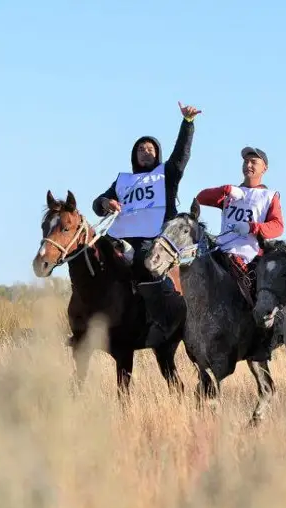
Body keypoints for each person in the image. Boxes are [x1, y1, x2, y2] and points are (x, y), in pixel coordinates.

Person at [92, 101, 201, 347]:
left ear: (157, 153)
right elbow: (97, 204)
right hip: (121, 237)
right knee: (92, 258)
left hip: (155, 238)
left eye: (150, 148)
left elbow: (181, 155)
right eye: (140, 148)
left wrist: (188, 124)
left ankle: (157, 320)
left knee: (145, 260)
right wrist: (106, 203)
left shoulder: (167, 175)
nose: (145, 151)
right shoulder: (124, 180)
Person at [194, 146, 285, 361]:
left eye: (254, 161)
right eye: (246, 161)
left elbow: (278, 226)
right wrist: (225, 190)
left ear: (265, 168)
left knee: (259, 295)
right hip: (221, 251)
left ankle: (262, 339)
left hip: (249, 254)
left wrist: (253, 228)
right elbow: (200, 198)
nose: (249, 165)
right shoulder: (231, 193)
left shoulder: (269, 196)